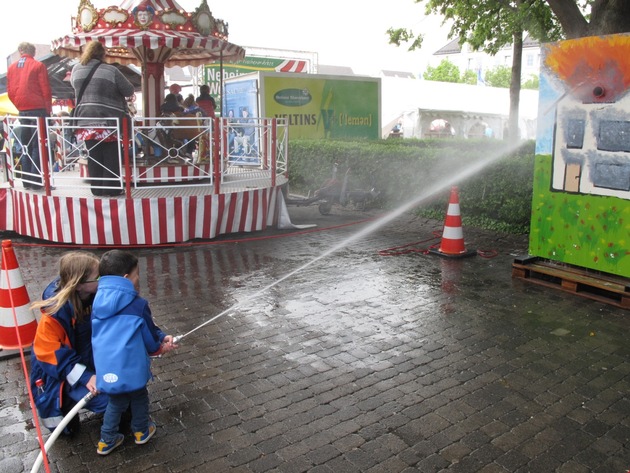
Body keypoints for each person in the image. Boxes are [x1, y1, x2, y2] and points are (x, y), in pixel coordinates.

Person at [91, 250, 178, 455]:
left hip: (107, 366)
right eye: (137, 274)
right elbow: (148, 337)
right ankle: (141, 431)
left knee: (116, 401)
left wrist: (161, 335)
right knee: (139, 395)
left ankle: (106, 439)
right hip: (131, 366)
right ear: (126, 278)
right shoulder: (138, 305)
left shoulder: (97, 303)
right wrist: (160, 348)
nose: (139, 278)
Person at [29, 252, 109, 436]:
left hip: (85, 362)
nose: (102, 280)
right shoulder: (53, 316)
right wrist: (86, 377)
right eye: (98, 277)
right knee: (66, 428)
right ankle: (64, 413)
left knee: (116, 398)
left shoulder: (91, 297)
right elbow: (53, 357)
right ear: (80, 284)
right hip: (59, 374)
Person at [71, 41, 134, 197]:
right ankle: (111, 188)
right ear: (102, 54)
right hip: (107, 120)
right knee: (111, 154)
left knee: (94, 155)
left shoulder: (76, 69)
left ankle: (96, 188)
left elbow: (74, 86)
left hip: (85, 119)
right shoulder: (110, 70)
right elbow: (128, 90)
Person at [7, 42, 52, 189]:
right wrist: (48, 110)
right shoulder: (38, 66)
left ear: (20, 51)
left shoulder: (12, 68)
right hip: (38, 109)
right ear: (33, 52)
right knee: (38, 146)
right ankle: (37, 181)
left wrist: (19, 105)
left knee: (25, 145)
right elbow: (45, 90)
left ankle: (27, 181)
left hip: (23, 110)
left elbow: (11, 92)